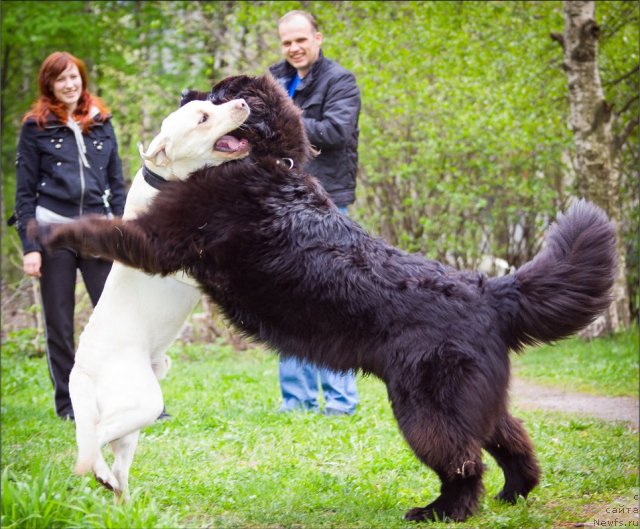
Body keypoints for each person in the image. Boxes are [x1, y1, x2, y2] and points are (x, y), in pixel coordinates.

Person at [11, 51, 126, 420]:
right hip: (53, 233)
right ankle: (70, 405)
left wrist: (123, 234)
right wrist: (31, 247)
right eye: (60, 79)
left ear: (82, 79)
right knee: (59, 325)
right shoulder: (35, 127)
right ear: (50, 85)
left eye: (74, 77)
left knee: (114, 321)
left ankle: (123, 398)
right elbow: (24, 193)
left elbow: (116, 184)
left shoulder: (102, 121)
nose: (69, 84)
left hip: (97, 233)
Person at [269, 10, 361, 416]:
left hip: (325, 202)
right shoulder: (273, 78)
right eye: (287, 42)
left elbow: (337, 131)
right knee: (285, 301)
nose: (294, 48)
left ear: (317, 38)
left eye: (300, 40)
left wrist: (289, 123)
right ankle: (297, 402)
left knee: (330, 298)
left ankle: (340, 403)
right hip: (279, 200)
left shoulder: (339, 81)